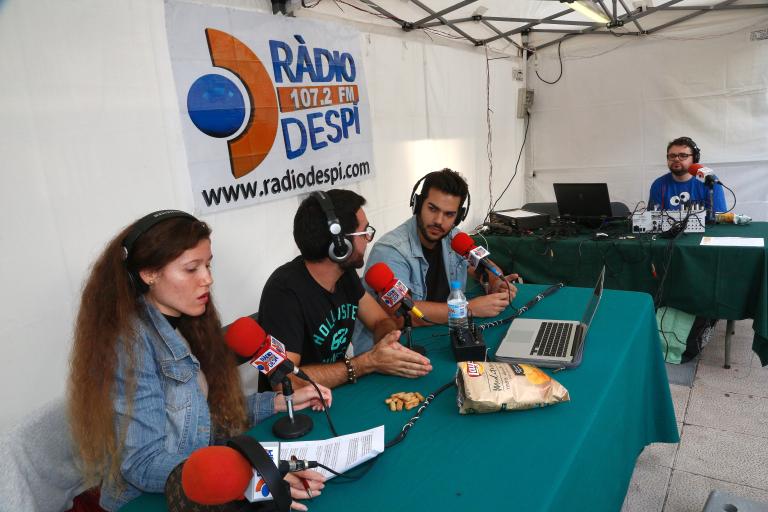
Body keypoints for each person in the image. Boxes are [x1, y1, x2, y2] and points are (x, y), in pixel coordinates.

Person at [67, 210, 332, 512]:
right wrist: (249, 474)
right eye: (192, 268)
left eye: (207, 265)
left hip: (196, 480)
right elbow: (142, 463)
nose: (208, 279)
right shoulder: (130, 345)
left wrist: (276, 403)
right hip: (145, 501)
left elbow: (199, 423)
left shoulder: (184, 323)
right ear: (149, 274)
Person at [258, 190, 432, 390]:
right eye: (363, 232)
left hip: (336, 391)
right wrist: (366, 363)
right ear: (340, 245)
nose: (368, 238)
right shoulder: (283, 293)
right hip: (297, 405)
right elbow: (285, 382)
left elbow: (380, 320)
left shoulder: (344, 274)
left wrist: (387, 343)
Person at [353, 169, 518, 354]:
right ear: (418, 204)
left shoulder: (452, 237)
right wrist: (468, 308)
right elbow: (401, 314)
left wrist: (494, 280)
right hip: (391, 351)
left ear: (459, 216)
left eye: (449, 214)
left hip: (438, 337)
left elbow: (479, 264)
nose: (439, 221)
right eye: (432, 209)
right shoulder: (391, 250)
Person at [648, 136, 726, 211]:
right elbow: (653, 217)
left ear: (694, 159)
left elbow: (719, 216)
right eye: (672, 156)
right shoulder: (659, 184)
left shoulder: (709, 179)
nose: (676, 159)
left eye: (683, 155)